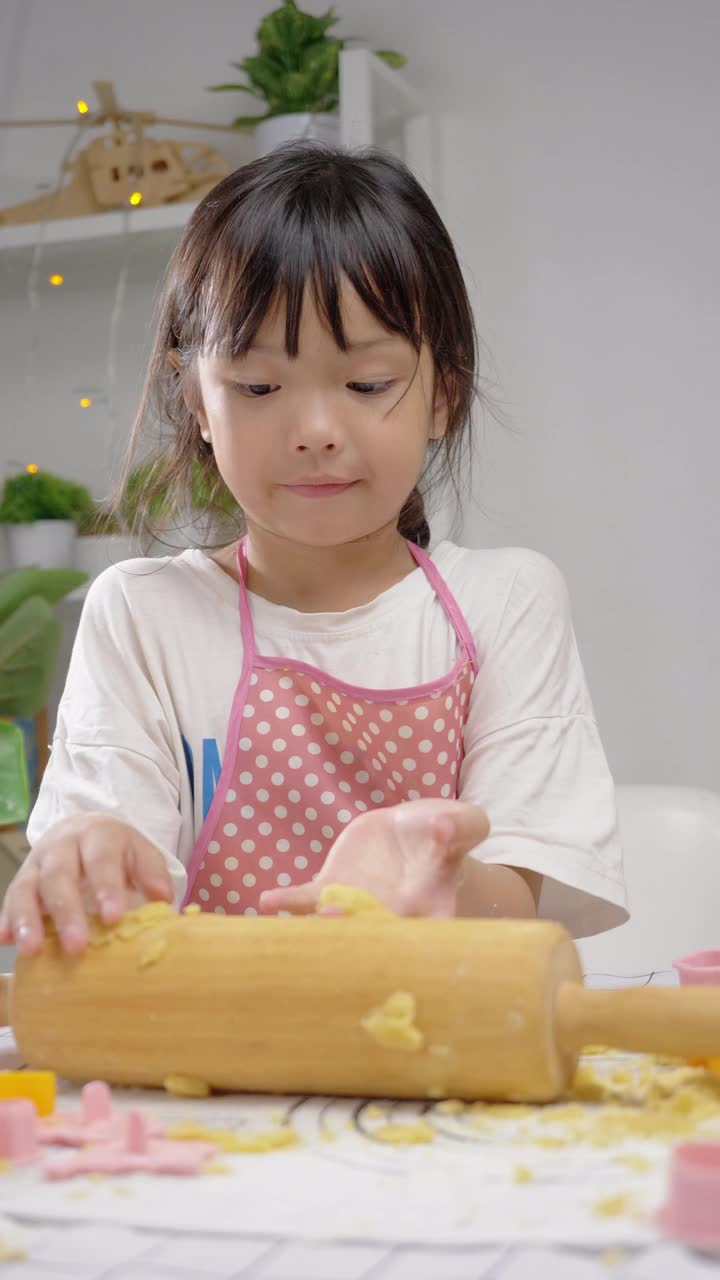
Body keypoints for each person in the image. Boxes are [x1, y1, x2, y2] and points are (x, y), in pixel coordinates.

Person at [0, 143, 627, 956]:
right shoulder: (141, 615)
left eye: (366, 386)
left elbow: (525, 902)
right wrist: (88, 864)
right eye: (259, 388)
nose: (316, 433)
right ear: (196, 401)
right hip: (215, 1071)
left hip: (439, 1071)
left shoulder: (505, 602)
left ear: (442, 395)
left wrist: (435, 880)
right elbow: (104, 865)